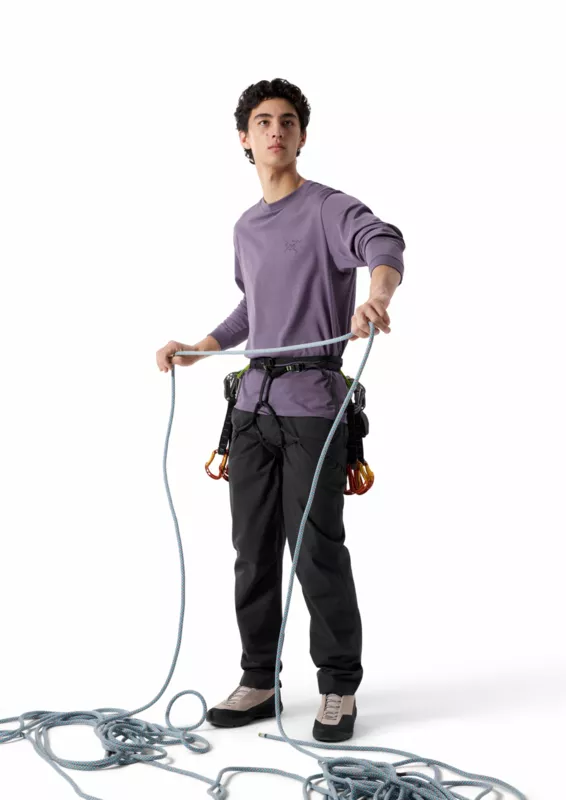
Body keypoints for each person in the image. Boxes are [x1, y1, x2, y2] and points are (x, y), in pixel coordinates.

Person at [156, 78, 405, 742]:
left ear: (302, 135)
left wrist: (377, 297)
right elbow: (252, 308)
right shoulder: (246, 227)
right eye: (263, 121)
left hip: (312, 408)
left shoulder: (327, 209)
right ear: (244, 137)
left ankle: (338, 686)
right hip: (250, 409)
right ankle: (259, 679)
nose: (275, 130)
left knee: (316, 548)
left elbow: (384, 244)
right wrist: (200, 348)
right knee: (252, 551)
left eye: (287, 121)